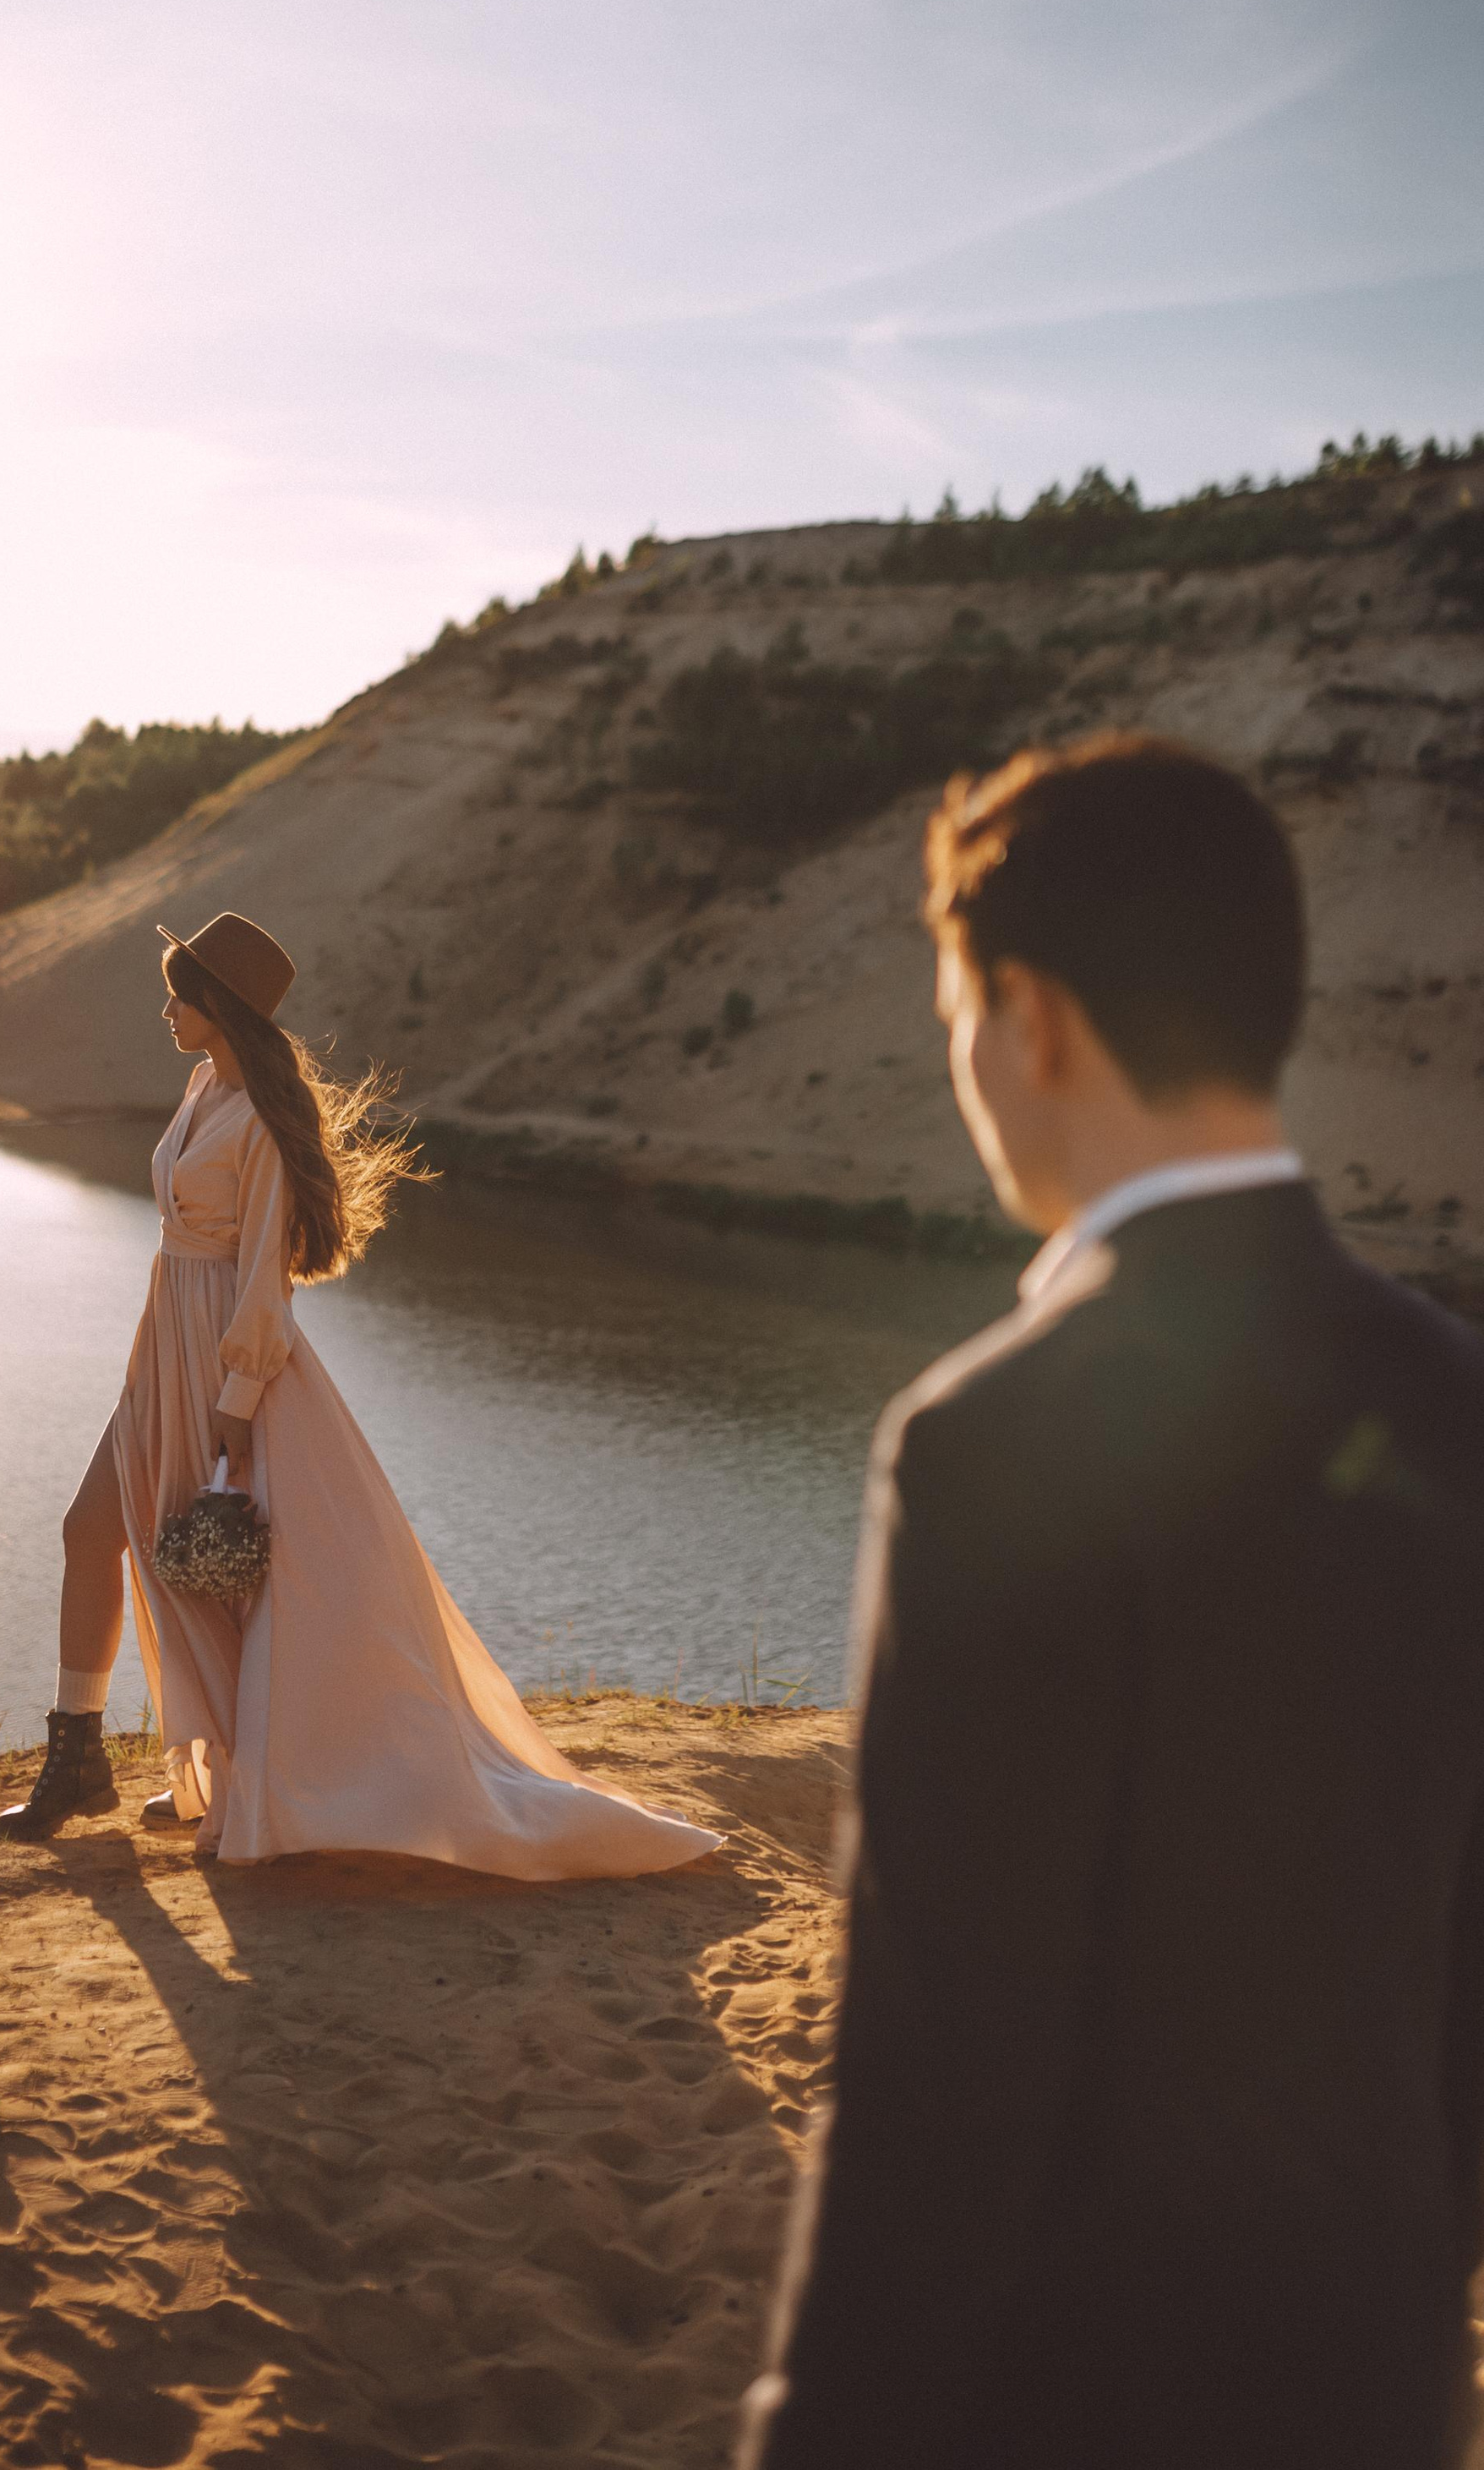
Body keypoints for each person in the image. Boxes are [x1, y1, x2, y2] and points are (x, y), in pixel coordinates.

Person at [741, 734, 1484, 2470]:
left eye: (953, 1021)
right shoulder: (1460, 1396)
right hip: (1373, 2387)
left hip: (1074, 2402)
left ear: (1031, 1018)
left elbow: (933, 2087)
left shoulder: (989, 1445)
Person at [0, 908, 717, 1879]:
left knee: (239, 1574)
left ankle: (228, 1768)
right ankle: (80, 1756)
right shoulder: (203, 1085)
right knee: (105, 1534)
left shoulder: (258, 1125)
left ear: (218, 1007)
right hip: (164, 1350)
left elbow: (264, 1280)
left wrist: (238, 1406)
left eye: (180, 992)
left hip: (222, 1367)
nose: (166, 1009)